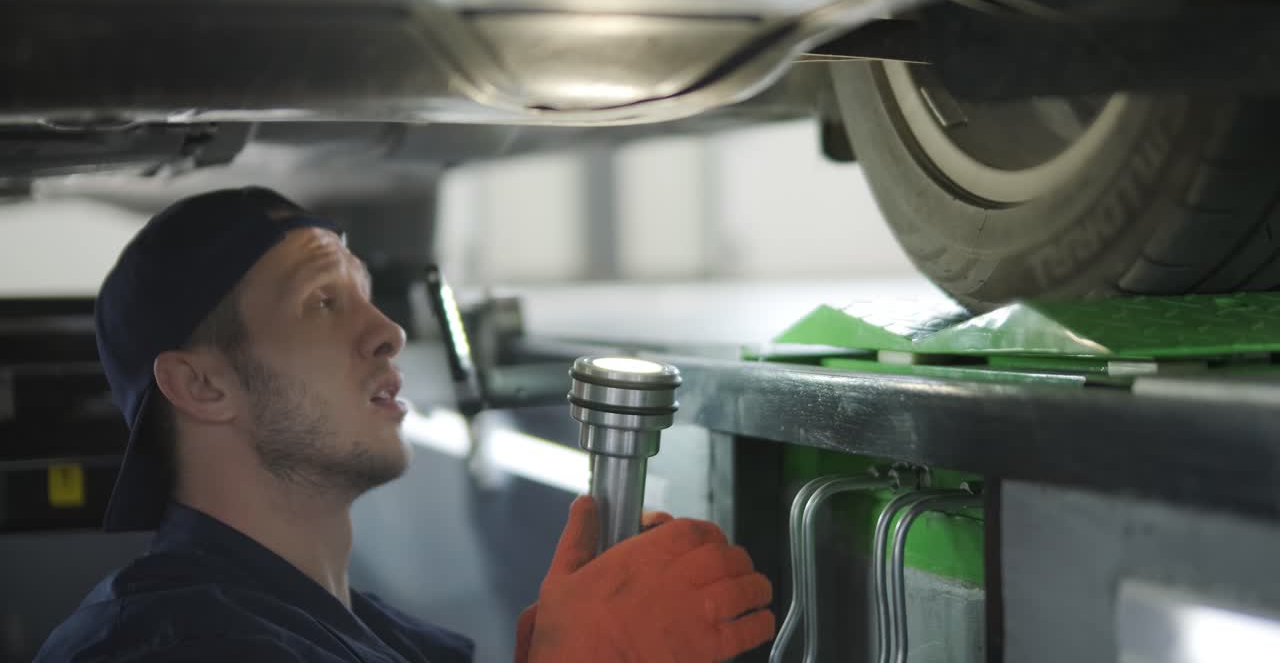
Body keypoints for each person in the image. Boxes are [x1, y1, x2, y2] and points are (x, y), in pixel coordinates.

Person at [36, 187, 776, 662]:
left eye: (366, 294)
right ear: (201, 384)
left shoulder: (357, 632)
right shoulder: (157, 648)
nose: (387, 330)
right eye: (322, 302)